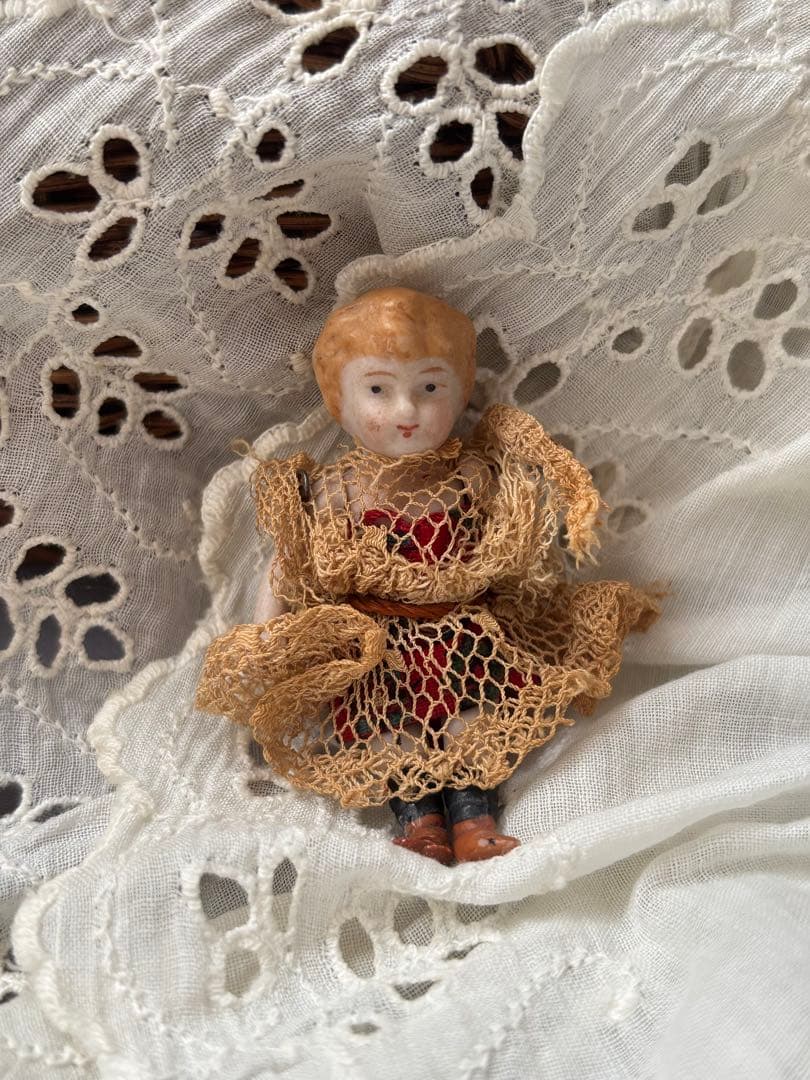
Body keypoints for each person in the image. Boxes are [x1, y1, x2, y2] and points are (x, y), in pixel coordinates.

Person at [196, 287, 658, 864]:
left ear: (460, 393)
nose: (407, 411)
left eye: (430, 388)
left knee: (473, 725)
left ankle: (474, 819)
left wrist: (530, 585)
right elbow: (290, 564)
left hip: (463, 637)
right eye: (378, 390)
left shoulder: (472, 477)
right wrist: (268, 633)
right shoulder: (338, 489)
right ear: (340, 402)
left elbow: (514, 550)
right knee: (394, 737)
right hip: (379, 650)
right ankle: (419, 825)